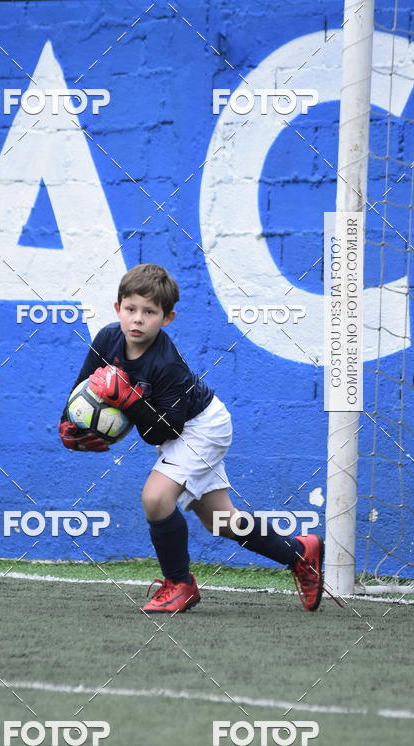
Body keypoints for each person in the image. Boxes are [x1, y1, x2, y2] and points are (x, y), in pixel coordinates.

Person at [59, 263, 325, 614]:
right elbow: (83, 385)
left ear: (167, 318)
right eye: (131, 309)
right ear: (117, 309)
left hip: (200, 427)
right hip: (180, 430)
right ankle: (300, 552)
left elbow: (164, 431)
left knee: (155, 499)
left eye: (149, 312)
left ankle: (180, 584)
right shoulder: (108, 338)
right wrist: (68, 425)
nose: (138, 319)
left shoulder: (167, 364)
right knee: (220, 521)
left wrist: (131, 402)